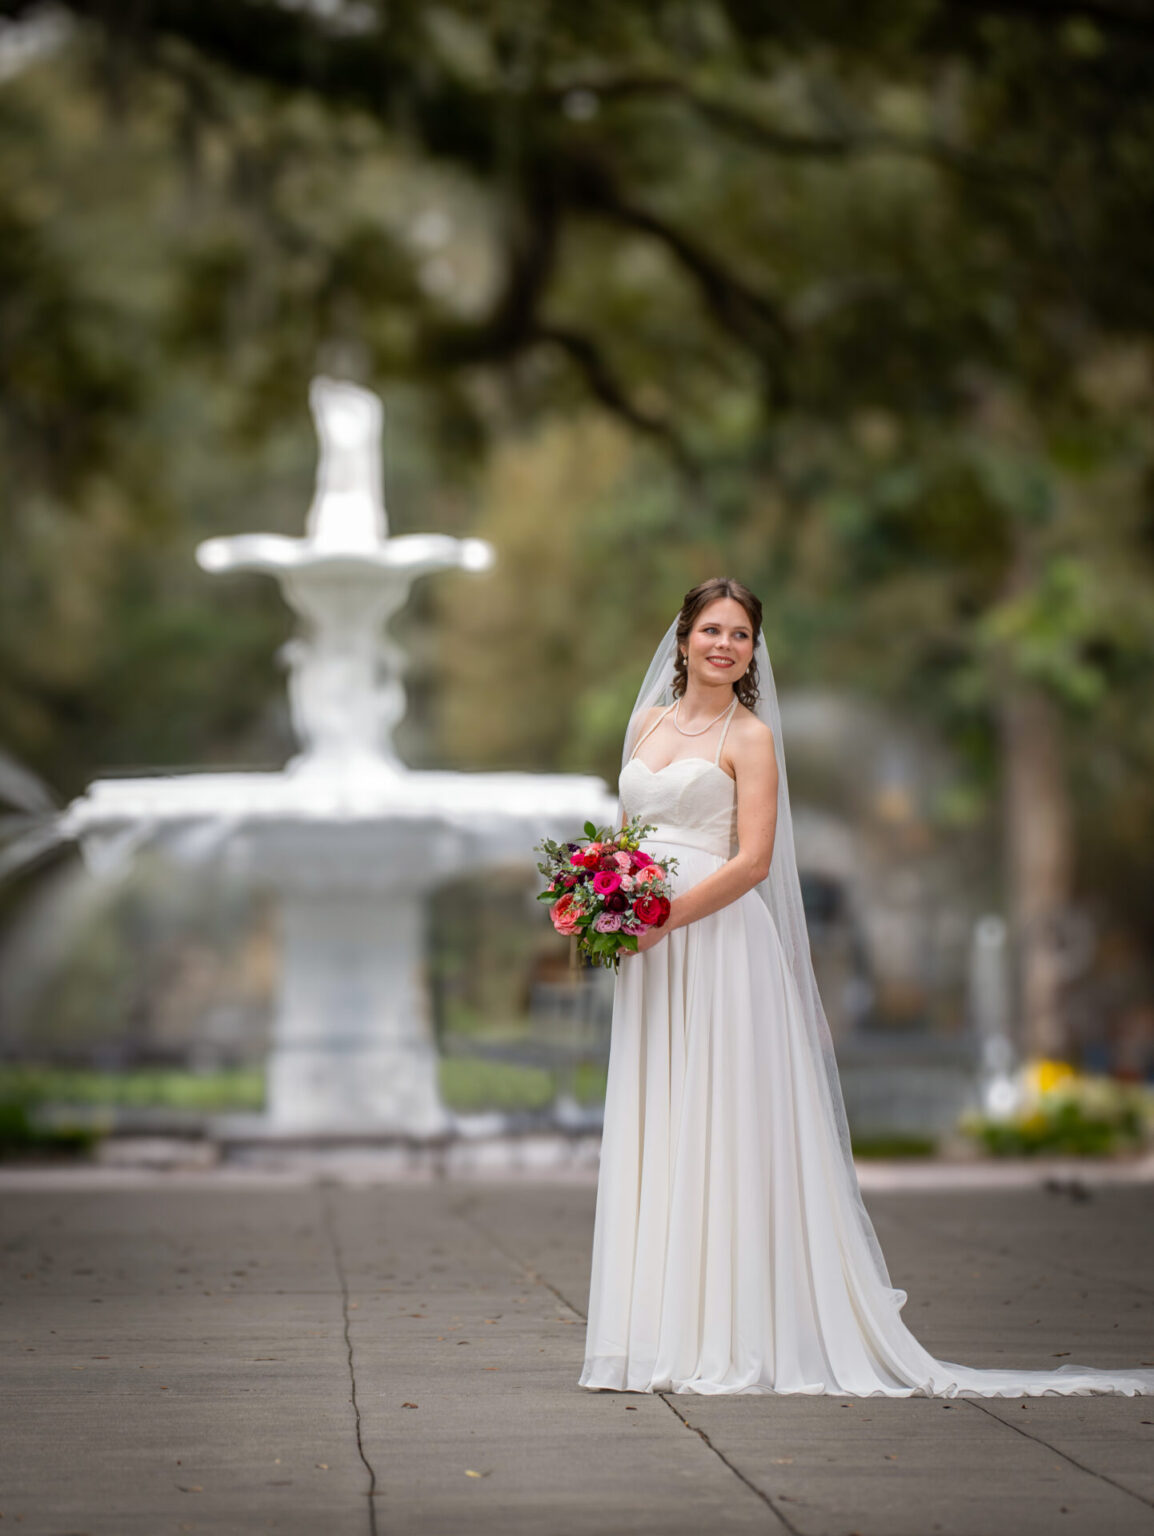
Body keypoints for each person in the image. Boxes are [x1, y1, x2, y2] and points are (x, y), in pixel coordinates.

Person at [579, 576, 1154, 1398]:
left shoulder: (751, 739)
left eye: (739, 635)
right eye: (711, 629)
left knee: (720, 1121)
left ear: (751, 652)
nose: (723, 645)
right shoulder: (644, 725)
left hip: (716, 945)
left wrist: (666, 915)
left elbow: (753, 863)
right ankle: (651, 1329)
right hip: (654, 956)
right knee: (660, 1115)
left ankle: (724, 1328)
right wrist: (605, 897)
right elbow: (632, 837)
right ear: (681, 639)